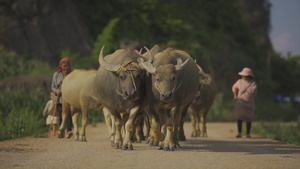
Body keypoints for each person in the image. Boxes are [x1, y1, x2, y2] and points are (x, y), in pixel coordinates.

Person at [232, 67, 257, 138]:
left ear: (248, 76)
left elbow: (254, 92)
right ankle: (239, 133)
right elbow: (234, 87)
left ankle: (248, 133)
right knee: (240, 117)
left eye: (245, 76)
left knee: (249, 118)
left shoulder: (253, 84)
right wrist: (235, 95)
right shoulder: (239, 82)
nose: (243, 77)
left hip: (250, 104)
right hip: (241, 103)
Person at [51, 57, 73, 138]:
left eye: (67, 66)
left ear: (70, 66)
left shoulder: (72, 75)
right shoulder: (56, 75)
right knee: (61, 115)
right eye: (64, 66)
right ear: (60, 66)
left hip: (69, 98)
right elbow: (52, 86)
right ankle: (61, 131)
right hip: (59, 99)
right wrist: (56, 90)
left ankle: (69, 131)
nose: (65, 68)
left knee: (69, 114)